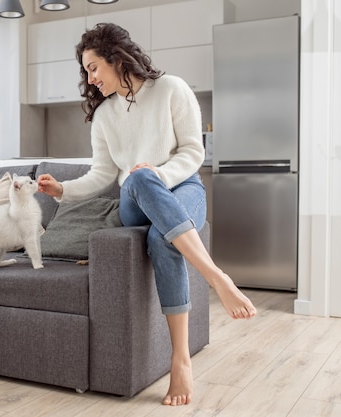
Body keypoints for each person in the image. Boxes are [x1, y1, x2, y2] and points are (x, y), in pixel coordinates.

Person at [37, 23, 257, 406]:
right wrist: (63, 191)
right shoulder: (105, 115)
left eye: (92, 67)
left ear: (115, 58)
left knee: (161, 238)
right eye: (85, 71)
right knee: (136, 179)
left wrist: (158, 173)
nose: (89, 78)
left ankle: (181, 359)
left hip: (183, 186)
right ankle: (215, 276)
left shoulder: (173, 89)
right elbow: (104, 175)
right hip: (135, 198)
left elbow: (192, 152)